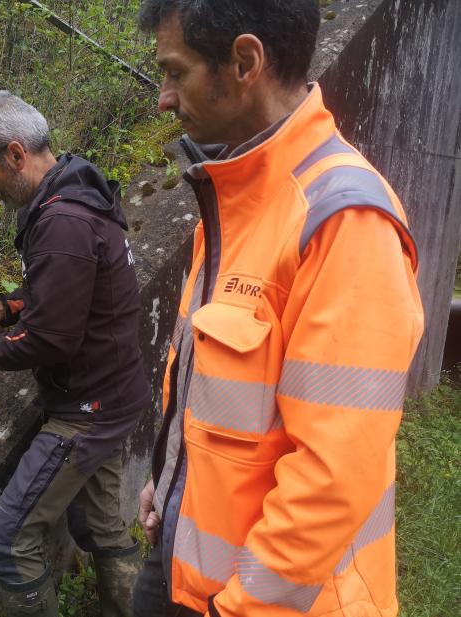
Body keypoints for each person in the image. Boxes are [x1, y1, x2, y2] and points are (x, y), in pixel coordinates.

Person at [132, 2, 424, 616]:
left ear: (244, 62)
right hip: (187, 566)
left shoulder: (343, 221)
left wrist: (235, 607)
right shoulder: (237, 192)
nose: (164, 98)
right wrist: (172, 476)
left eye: (175, 72)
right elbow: (217, 388)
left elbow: (332, 479)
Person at [0, 91, 150, 617]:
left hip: (87, 407)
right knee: (98, 525)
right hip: (117, 389)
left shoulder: (61, 223)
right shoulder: (76, 190)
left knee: (8, 544)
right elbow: (71, 292)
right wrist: (7, 307)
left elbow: (54, 338)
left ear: (15, 154)